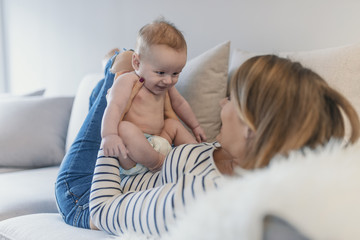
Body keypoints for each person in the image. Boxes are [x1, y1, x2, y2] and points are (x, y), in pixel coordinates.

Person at [56, 52, 359, 235]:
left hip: (85, 193)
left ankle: (111, 68)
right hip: (136, 165)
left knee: (122, 68)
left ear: (251, 128)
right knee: (124, 78)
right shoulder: (230, 154)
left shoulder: (200, 200)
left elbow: (101, 210)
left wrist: (118, 123)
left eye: (232, 99)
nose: (222, 102)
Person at [101, 20, 206, 176]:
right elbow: (114, 106)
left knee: (173, 124)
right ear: (136, 63)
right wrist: (109, 135)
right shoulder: (128, 80)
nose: (169, 81)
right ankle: (158, 163)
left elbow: (180, 103)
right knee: (124, 128)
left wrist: (196, 126)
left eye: (176, 73)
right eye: (160, 73)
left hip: (160, 141)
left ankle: (200, 157)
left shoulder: (166, 85)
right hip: (134, 154)